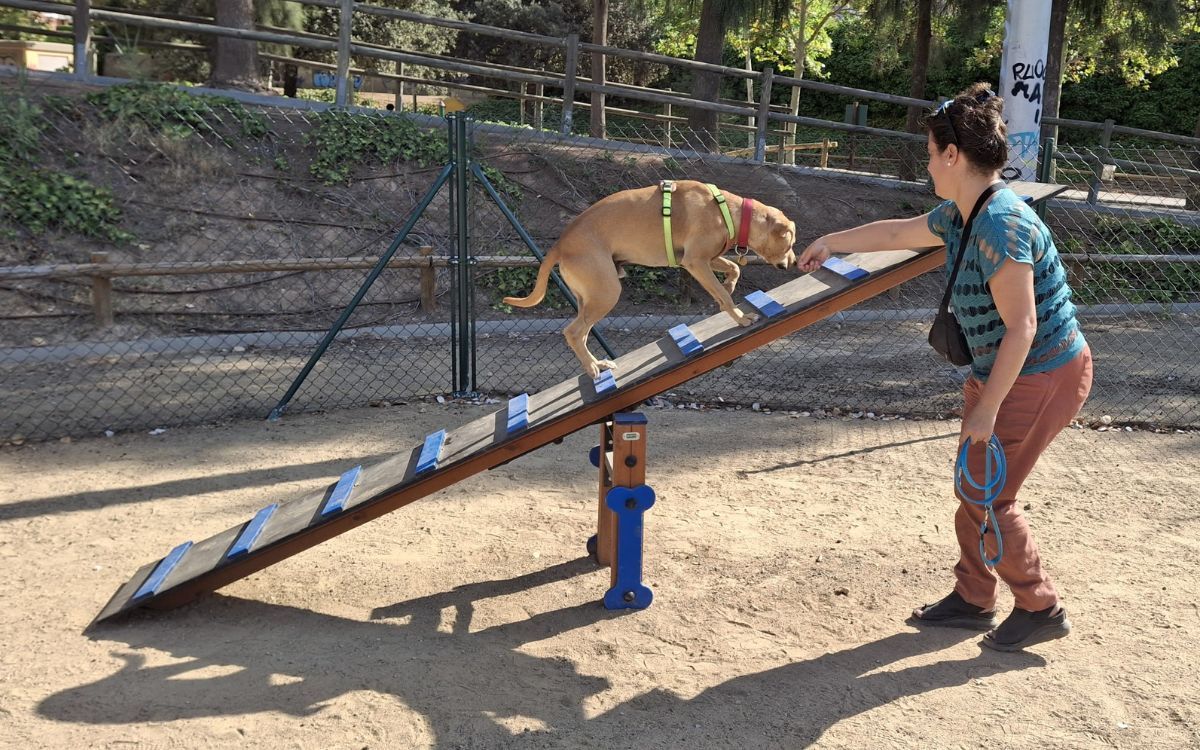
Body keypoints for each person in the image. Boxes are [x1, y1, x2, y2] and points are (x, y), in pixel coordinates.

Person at [797, 82, 1093, 652]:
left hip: (1042, 373)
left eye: (931, 153)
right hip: (1005, 371)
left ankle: (1040, 605)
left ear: (953, 155)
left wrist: (986, 407)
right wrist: (832, 241)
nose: (927, 163)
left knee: (989, 497)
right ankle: (974, 597)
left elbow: (1023, 327)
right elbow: (896, 233)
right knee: (973, 487)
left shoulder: (999, 224)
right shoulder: (964, 211)